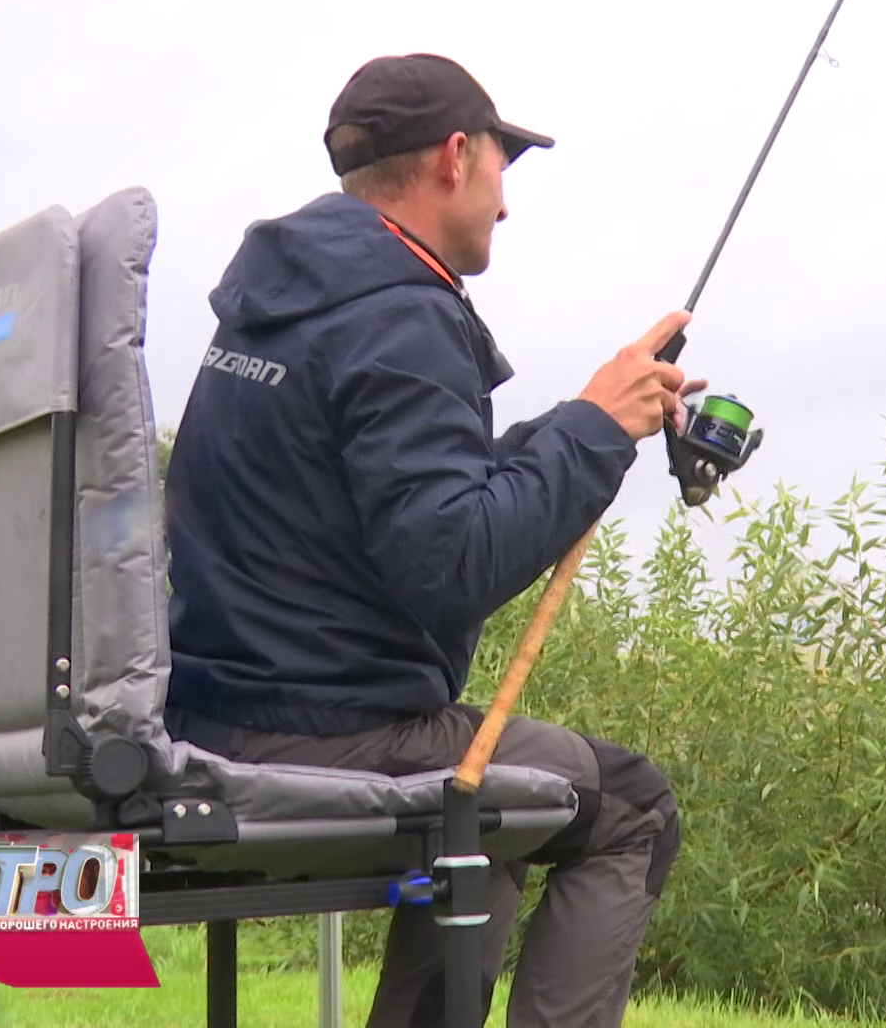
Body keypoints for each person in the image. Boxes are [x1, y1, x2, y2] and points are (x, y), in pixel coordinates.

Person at [160, 52, 699, 1028]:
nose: (506, 203)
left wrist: (587, 413)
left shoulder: (291, 300)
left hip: (220, 701)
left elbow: (405, 499)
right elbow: (452, 564)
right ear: (456, 156)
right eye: (504, 166)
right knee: (631, 807)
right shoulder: (401, 316)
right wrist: (590, 434)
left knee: (488, 813)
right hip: (327, 726)